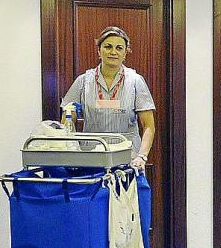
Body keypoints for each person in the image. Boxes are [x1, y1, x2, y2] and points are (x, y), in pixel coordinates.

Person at [61, 26, 155, 170]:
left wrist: (142, 156)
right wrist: (69, 151)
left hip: (128, 159)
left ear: (125, 53)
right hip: (91, 158)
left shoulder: (136, 81)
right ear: (99, 51)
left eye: (119, 48)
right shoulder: (83, 81)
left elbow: (148, 125)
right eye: (108, 46)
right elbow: (67, 120)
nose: (113, 52)